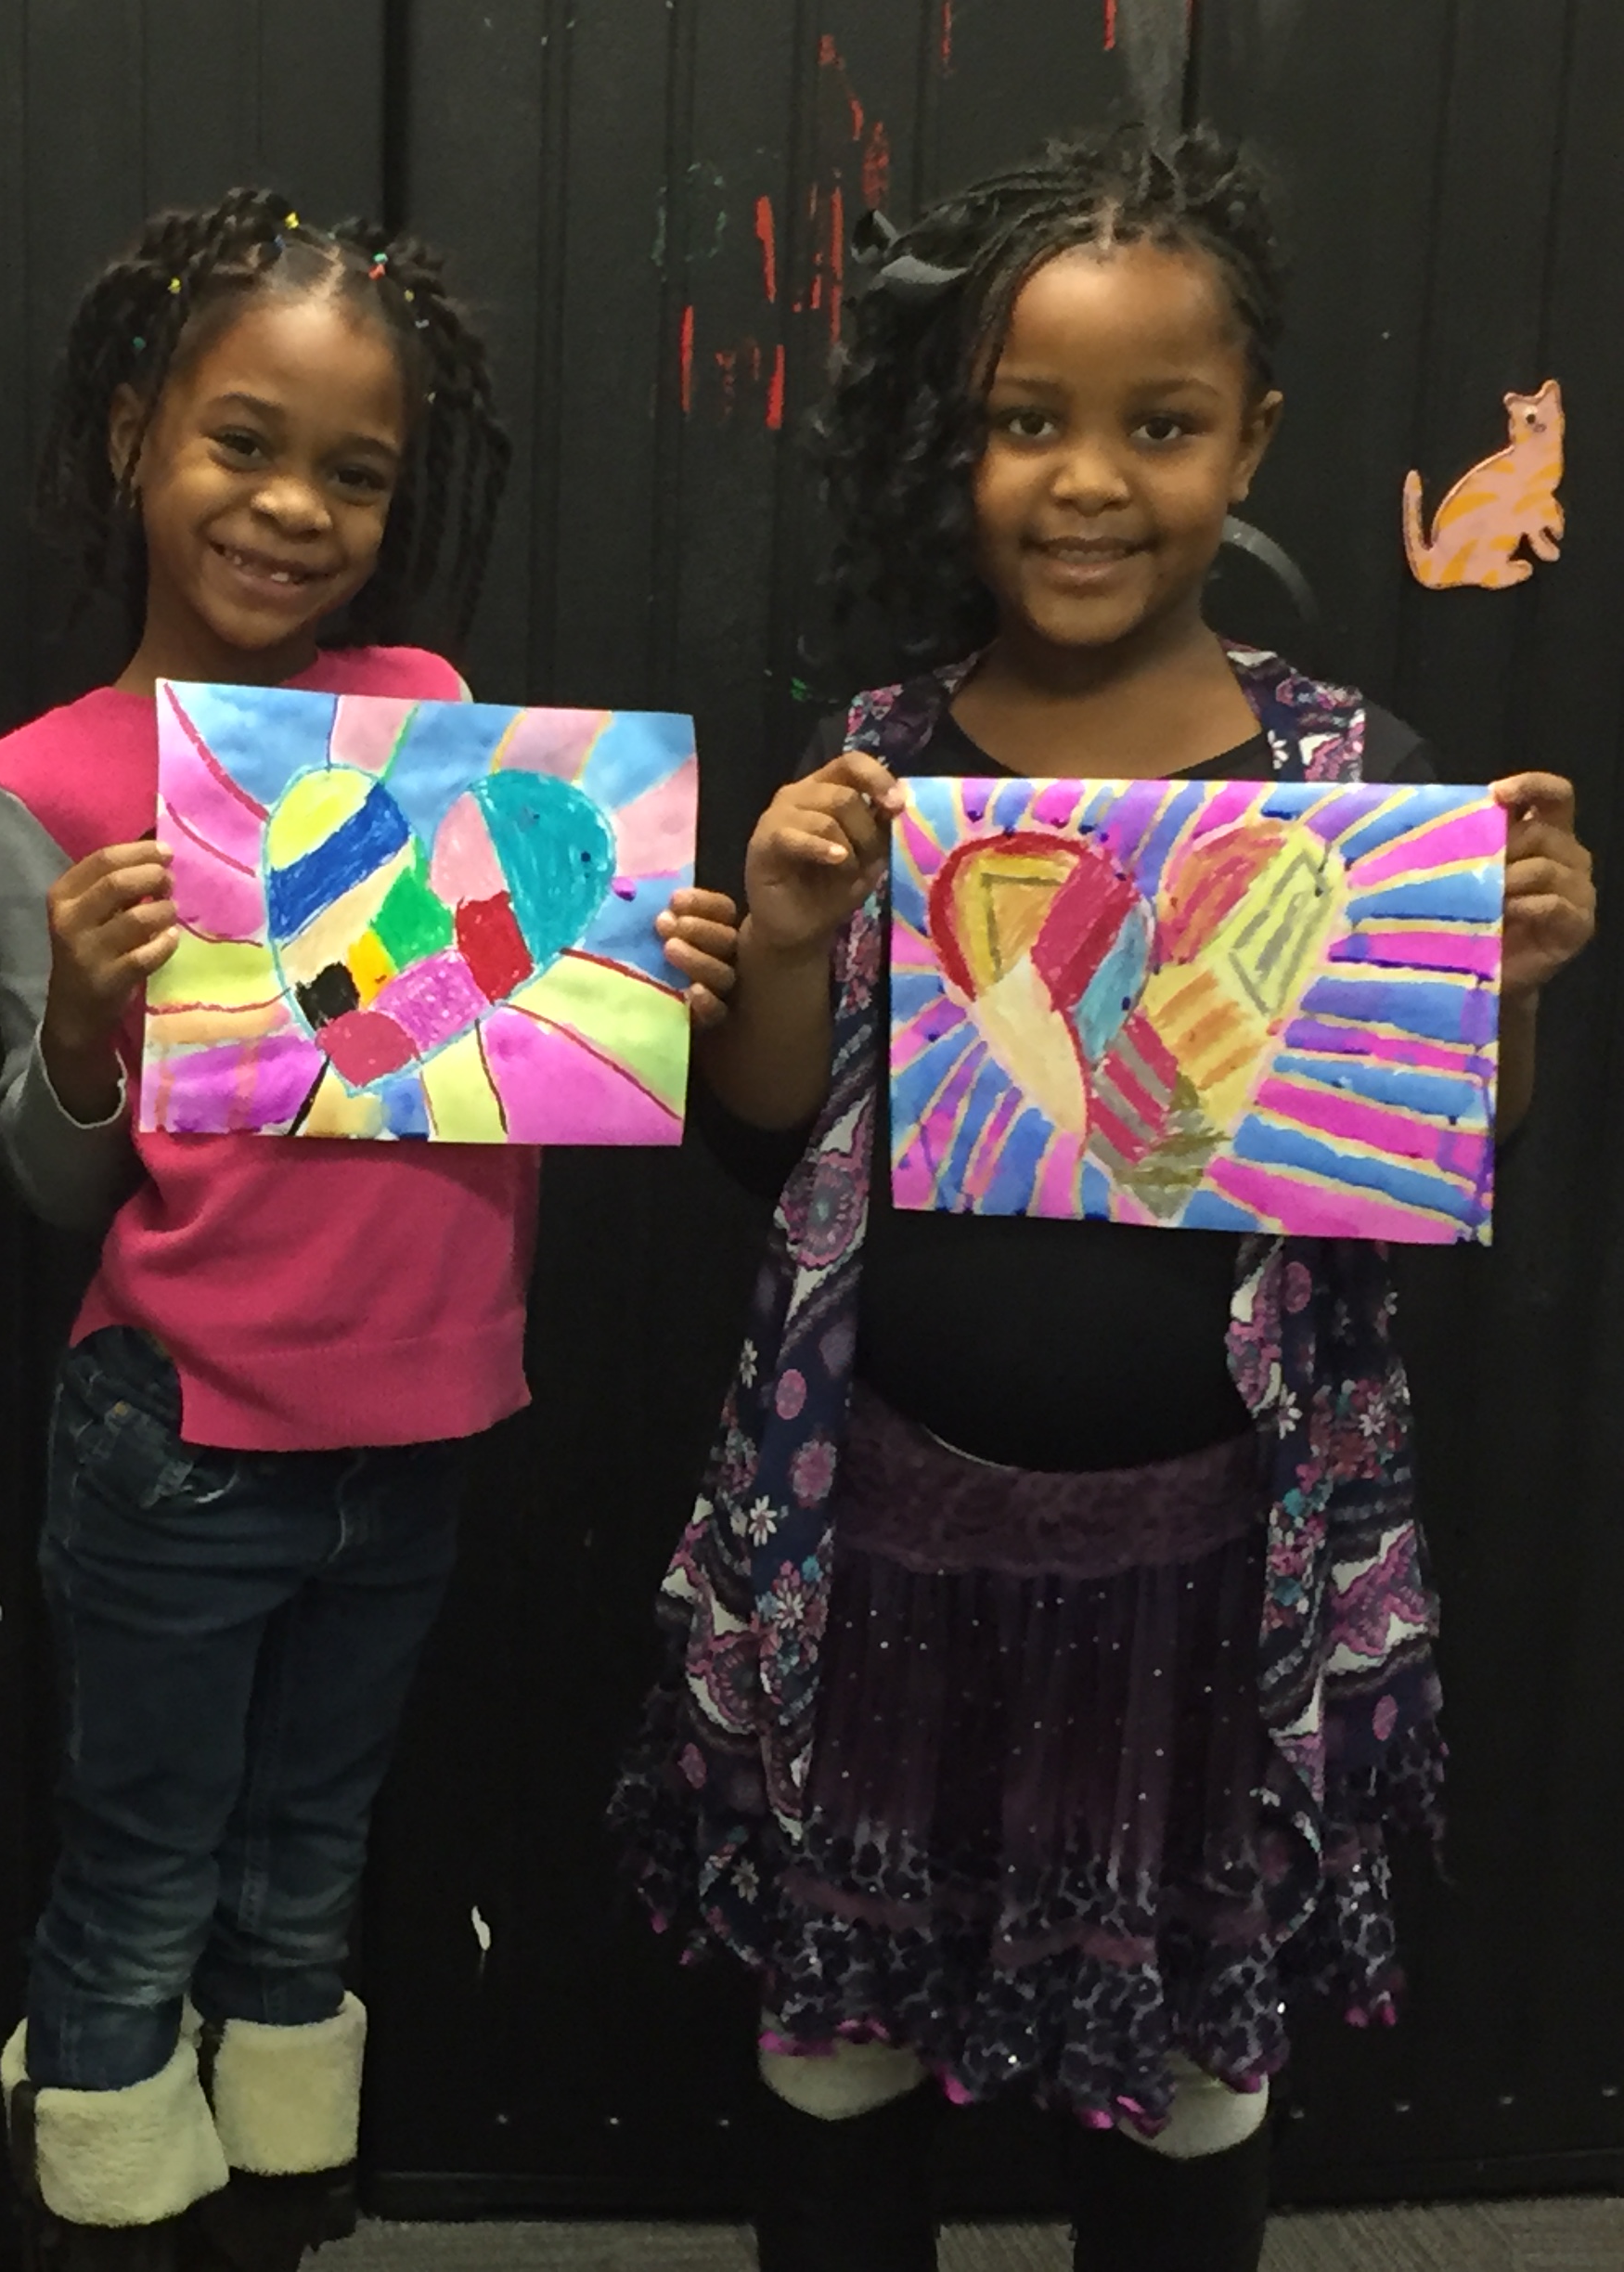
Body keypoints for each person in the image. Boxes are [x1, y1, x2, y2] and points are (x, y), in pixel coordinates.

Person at [612, 126, 1599, 2272]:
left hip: (1213, 1568)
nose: (1087, 482)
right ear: (958, 444)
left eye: (1159, 426)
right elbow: (770, 1136)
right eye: (1026, 422)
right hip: (878, 1535)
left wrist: (1505, 987)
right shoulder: (880, 759)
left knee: (1184, 2098)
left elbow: (1449, 1157)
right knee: (837, 2061)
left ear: (1253, 441)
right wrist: (783, 941)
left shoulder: (1353, 782)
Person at [0, 189, 741, 2271]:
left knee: (311, 1866)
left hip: (424, 1425)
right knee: (143, 1875)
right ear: (133, 436)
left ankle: (276, 2217)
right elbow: (50, 1181)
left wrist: (637, 966)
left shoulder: (432, 708)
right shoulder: (42, 783)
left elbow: (504, 1037)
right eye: (242, 442)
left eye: (355, 471)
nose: (293, 507)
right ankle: (111, 2208)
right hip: (183, 1430)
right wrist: (83, 1017)